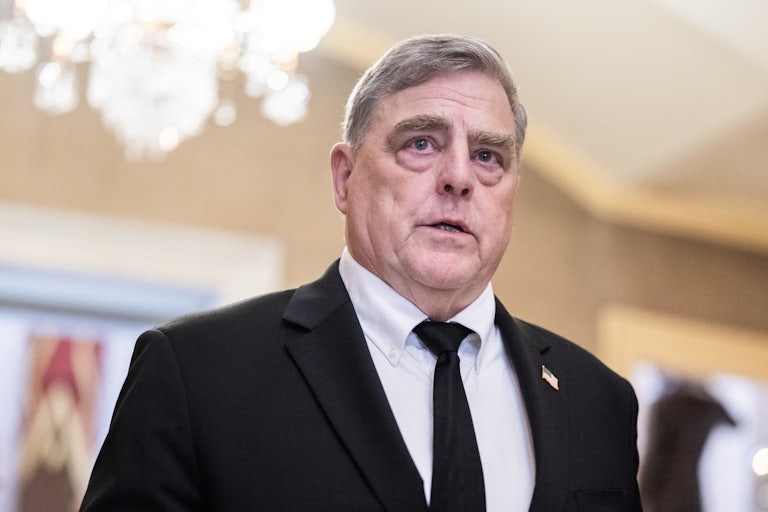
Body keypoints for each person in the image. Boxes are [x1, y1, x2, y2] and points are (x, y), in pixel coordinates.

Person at [79, 34, 642, 511]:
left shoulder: (599, 400)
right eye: (421, 143)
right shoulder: (196, 371)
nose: (459, 178)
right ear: (345, 178)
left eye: (488, 156)